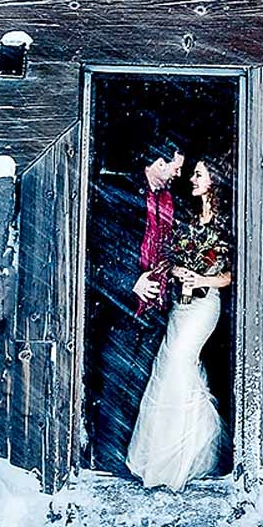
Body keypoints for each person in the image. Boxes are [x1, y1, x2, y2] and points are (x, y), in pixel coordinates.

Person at [126, 157, 234, 489]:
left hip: (205, 305)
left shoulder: (226, 223)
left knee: (178, 362)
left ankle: (194, 449)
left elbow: (231, 276)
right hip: (180, 304)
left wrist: (202, 277)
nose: (191, 179)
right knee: (168, 369)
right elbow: (169, 259)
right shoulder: (187, 217)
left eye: (198, 174)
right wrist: (179, 273)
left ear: (212, 181)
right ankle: (164, 455)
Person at [88, 134, 185, 479]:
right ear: (158, 162)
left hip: (156, 308)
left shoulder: (173, 200)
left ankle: (125, 456)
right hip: (122, 306)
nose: (178, 173)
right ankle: (106, 459)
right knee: (115, 382)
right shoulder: (119, 193)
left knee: (138, 385)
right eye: (175, 165)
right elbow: (96, 249)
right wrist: (129, 280)